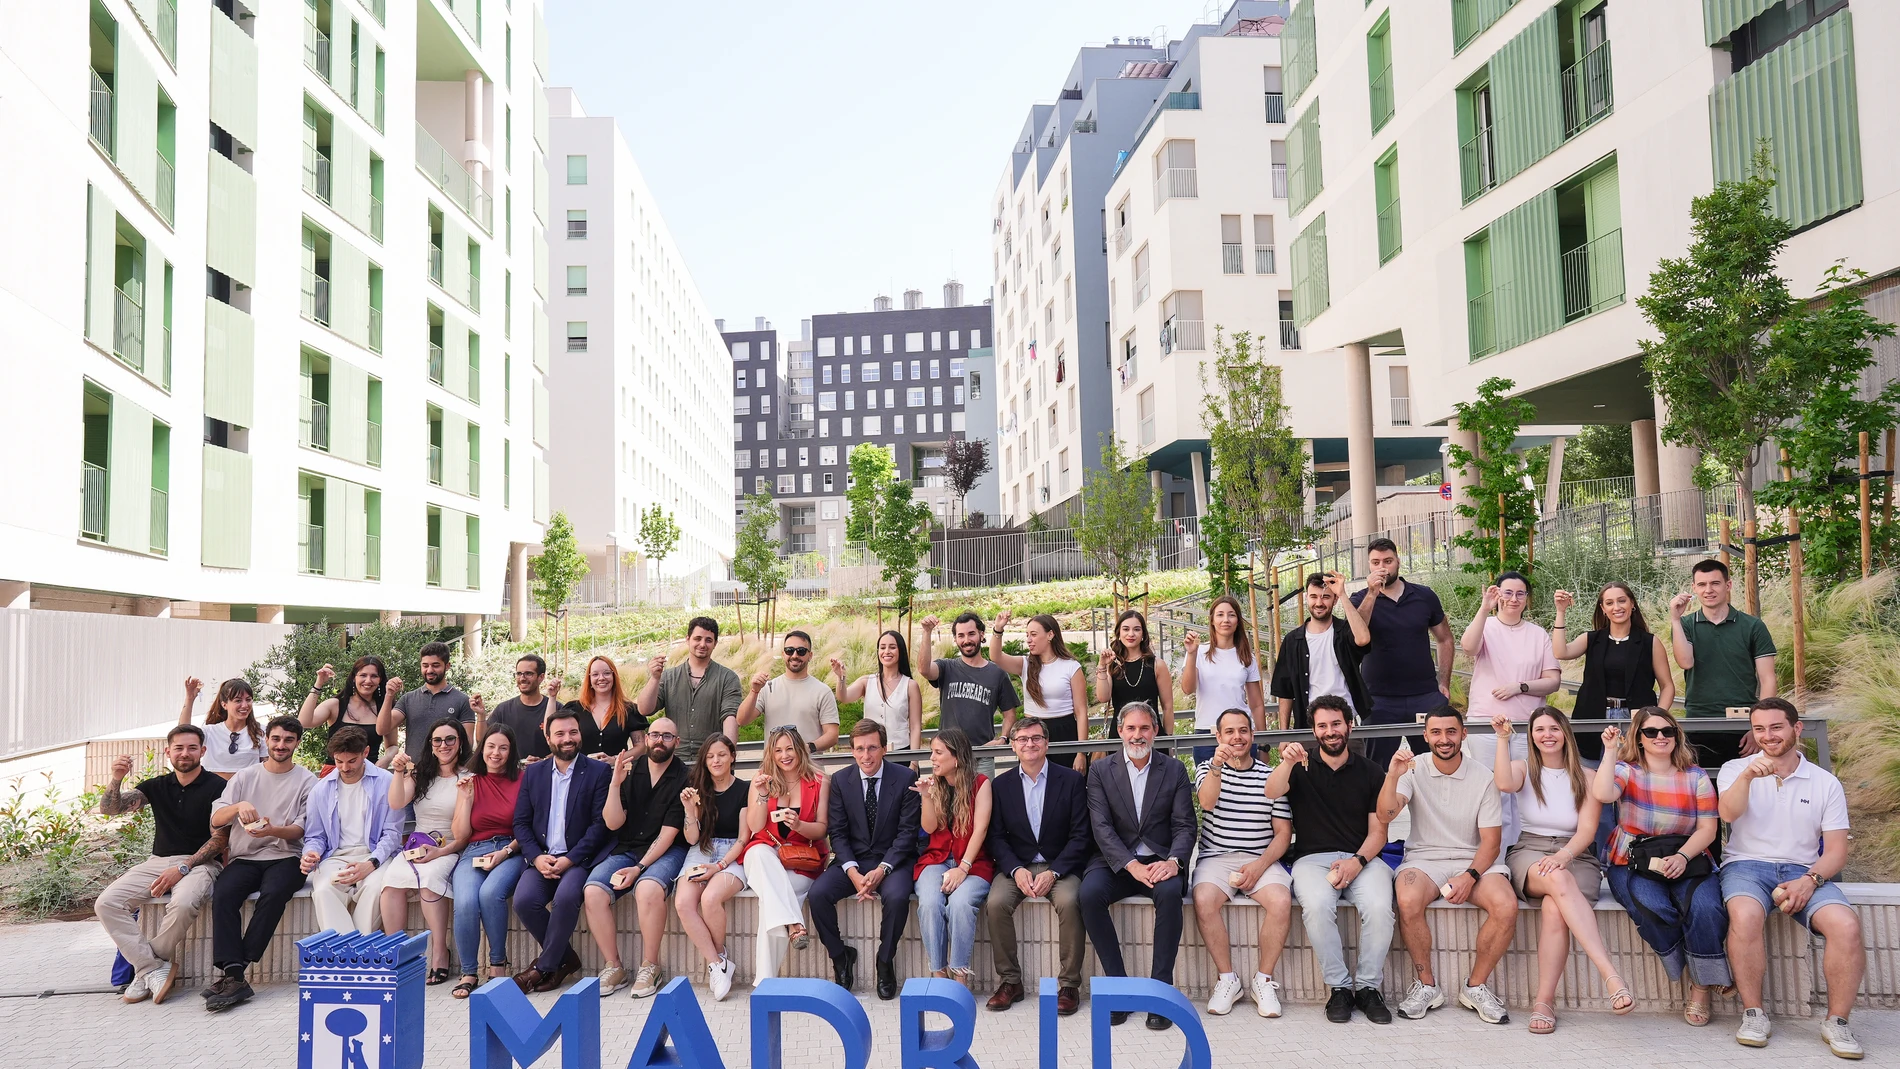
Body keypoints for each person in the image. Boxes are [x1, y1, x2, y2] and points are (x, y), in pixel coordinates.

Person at [1718, 698, 1864, 1059]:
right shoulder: (1735, 769)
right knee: (1746, 916)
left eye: (1776, 727)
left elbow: (1835, 852)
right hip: (1746, 865)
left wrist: (1809, 880)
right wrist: (1749, 775)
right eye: (1759, 729)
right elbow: (1727, 813)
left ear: (1796, 728)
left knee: (1845, 925)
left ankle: (1838, 1023)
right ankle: (1754, 1014)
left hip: (1803, 871)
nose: (1768, 736)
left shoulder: (1825, 782)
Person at [1491, 709, 1630, 1033]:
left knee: (1555, 907)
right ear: (1532, 736)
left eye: (1554, 728)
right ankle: (1610, 974)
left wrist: (1565, 856)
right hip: (1530, 850)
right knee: (1558, 878)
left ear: (1565, 732)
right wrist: (1502, 739)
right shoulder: (1523, 769)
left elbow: (1587, 830)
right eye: (1539, 729)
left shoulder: (1587, 776)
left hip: (1577, 855)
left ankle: (1543, 1001)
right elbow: (1502, 782)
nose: (1547, 734)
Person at [1376, 706, 1517, 1025]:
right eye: (1436, 732)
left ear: (1463, 734)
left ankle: (1476, 987)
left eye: (1451, 731)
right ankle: (1426, 986)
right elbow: (1386, 816)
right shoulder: (1413, 769)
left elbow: (1491, 843)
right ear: (1425, 736)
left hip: (1475, 860)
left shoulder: (1483, 776)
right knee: (1408, 899)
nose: (1444, 739)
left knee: (1506, 906)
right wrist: (1393, 775)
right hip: (1425, 859)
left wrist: (1469, 877)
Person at [1590, 707, 1730, 1027]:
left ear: (1676, 735)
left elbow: (1708, 830)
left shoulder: (1695, 776)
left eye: (1667, 731)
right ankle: (1698, 963)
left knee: (1707, 908)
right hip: (1632, 859)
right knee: (1652, 907)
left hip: (1686, 856)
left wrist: (1681, 857)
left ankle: (1700, 987)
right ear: (1639, 738)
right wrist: (1610, 750)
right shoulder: (1628, 770)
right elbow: (1602, 792)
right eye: (1651, 732)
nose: (1660, 737)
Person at [1266, 695, 1393, 1025]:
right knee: (1318, 906)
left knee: (1380, 908)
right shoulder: (1301, 765)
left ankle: (1367, 988)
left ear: (1349, 726)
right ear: (1314, 730)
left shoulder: (1371, 771)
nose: (1330, 731)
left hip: (1363, 858)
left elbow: (1378, 832)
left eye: (1336, 724)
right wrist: (1287, 762)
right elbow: (1270, 790)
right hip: (1312, 860)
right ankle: (1339, 988)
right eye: (1322, 725)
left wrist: (1356, 862)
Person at [1081, 702, 1196, 1032]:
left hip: (1160, 861)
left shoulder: (1173, 769)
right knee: (1089, 895)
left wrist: (1174, 862)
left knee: (1171, 894)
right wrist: (1130, 865)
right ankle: (1119, 990)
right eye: (1130, 728)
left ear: (1155, 731)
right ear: (1120, 731)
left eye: (1144, 728)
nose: (1137, 735)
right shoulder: (1101, 771)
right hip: (1116, 861)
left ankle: (1160, 993)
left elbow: (1185, 826)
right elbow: (1101, 827)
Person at [96, 725, 230, 1005]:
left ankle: (146, 967)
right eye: (179, 748)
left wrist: (182, 868)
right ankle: (150, 968)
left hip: (202, 864)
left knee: (182, 904)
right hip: (158, 861)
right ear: (168, 752)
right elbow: (110, 809)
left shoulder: (218, 787)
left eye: (192, 747)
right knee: (107, 903)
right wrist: (117, 778)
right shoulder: (156, 786)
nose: (185, 753)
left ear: (202, 751)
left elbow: (220, 840)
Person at [204, 716, 317, 1011]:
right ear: (267, 740)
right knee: (224, 893)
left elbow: (301, 830)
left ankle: (235, 971)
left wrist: (272, 831)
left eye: (288, 740)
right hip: (246, 856)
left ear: (297, 743)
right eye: (276, 739)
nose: (281, 745)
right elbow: (216, 819)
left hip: (286, 855)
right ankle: (234, 974)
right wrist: (238, 806)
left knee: (275, 892)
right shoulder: (245, 776)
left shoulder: (307, 780)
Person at [984, 716, 1091, 1016]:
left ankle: (1069, 985)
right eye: (1022, 739)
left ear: (1046, 743)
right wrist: (1016, 870)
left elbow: (1081, 835)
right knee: (995, 903)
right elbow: (996, 838)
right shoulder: (1001, 785)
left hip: (1060, 867)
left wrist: (1054, 871)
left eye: (1035, 738)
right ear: (1014, 746)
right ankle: (1010, 982)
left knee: (1071, 901)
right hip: (1017, 867)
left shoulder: (1070, 780)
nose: (1029, 744)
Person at [1192, 709, 1295, 1018]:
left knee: (1280, 901)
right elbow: (1207, 803)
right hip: (1216, 857)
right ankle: (1228, 980)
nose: (1237, 737)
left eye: (1243, 731)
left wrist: (1260, 865)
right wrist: (1217, 767)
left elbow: (1283, 832)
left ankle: (1263, 981)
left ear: (1252, 735)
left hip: (1259, 858)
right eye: (1230, 732)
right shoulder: (1207, 768)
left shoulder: (1270, 775)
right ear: (1218, 736)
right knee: (1203, 899)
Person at [809, 720, 920, 1000]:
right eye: (860, 749)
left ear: (884, 748)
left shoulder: (904, 778)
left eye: (872, 748)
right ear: (852, 750)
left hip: (893, 860)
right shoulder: (841, 780)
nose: (866, 755)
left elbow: (907, 834)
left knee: (896, 898)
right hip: (854, 860)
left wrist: (883, 869)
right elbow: (838, 833)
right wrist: (853, 872)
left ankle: (885, 960)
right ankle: (840, 956)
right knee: (818, 894)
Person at [584, 717, 690, 999]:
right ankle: (614, 966)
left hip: (667, 850)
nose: (659, 741)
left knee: (648, 888)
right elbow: (613, 823)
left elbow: (669, 835)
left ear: (676, 743)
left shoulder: (685, 777)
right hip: (628, 847)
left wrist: (639, 869)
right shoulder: (633, 770)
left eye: (667, 737)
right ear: (645, 740)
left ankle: (650, 966)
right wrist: (615, 785)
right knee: (593, 891)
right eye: (654, 735)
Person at [510, 708, 614, 993]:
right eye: (560, 734)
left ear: (580, 735)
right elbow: (520, 822)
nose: (567, 738)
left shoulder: (598, 771)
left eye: (573, 732)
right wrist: (536, 856)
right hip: (541, 857)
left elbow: (599, 826)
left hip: (579, 859)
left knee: (567, 898)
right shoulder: (533, 773)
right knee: (524, 900)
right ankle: (565, 959)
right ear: (548, 738)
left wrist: (569, 859)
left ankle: (542, 968)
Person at [373, 722, 472, 984]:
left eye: (450, 739)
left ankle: (440, 952)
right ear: (430, 744)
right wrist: (397, 771)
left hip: (450, 847)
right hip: (417, 846)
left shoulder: (468, 777)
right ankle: (399, 952)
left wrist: (439, 852)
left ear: (460, 742)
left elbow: (464, 835)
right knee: (391, 882)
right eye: (437, 740)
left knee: (429, 883)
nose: (444, 745)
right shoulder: (420, 774)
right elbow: (396, 802)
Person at [1351, 538, 1455, 763]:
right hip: (1377, 699)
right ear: (1368, 566)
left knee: (1434, 763)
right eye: (1376, 562)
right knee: (1377, 768)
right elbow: (1356, 636)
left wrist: (1444, 682)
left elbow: (1445, 638)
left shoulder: (1424, 596)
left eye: (1388, 561)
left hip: (1424, 696)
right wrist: (1372, 593)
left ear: (1398, 561)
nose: (1382, 567)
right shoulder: (1359, 598)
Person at [740, 726, 831, 984]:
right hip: (764, 857)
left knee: (770, 902)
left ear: (800, 749)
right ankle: (794, 924)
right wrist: (762, 794)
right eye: (778, 750)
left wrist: (799, 825)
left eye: (789, 748)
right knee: (758, 853)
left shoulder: (820, 781)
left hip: (802, 862)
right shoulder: (761, 779)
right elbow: (756, 827)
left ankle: (764, 983)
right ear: (771, 753)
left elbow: (823, 829)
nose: (784, 755)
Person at [300, 728, 405, 938]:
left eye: (351, 761)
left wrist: (371, 863)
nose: (344, 768)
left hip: (376, 854)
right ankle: (355, 952)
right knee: (323, 891)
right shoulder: (321, 789)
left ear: (366, 753)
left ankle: (350, 953)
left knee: (376, 889)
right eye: (339, 761)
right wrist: (311, 853)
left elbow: (392, 833)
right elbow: (315, 836)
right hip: (335, 856)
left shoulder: (386, 782)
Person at [1671, 559, 1777, 767]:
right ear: (1694, 588)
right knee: (1705, 793)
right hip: (1699, 721)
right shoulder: (1685, 624)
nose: (1708, 590)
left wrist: (1759, 728)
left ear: (1728, 585)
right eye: (1701, 585)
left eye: (1715, 583)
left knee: (1747, 793)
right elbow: (1685, 662)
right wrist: (1675, 619)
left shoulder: (1753, 626)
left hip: (1742, 723)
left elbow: (1768, 679)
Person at [673, 733, 753, 1002]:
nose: (716, 760)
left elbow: (744, 837)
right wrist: (688, 809)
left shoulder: (745, 789)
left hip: (733, 852)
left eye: (721, 754)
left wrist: (718, 866)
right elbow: (692, 839)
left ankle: (718, 962)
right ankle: (718, 963)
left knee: (709, 899)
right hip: (702, 849)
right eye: (710, 756)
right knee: (683, 902)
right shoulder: (697, 789)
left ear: (732, 756)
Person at [913, 728, 994, 989]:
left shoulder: (981, 784)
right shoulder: (936, 784)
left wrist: (963, 868)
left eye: (938, 753)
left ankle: (959, 978)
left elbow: (980, 829)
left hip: (973, 863)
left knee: (959, 904)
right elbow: (928, 828)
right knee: (929, 903)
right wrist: (926, 796)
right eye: (932, 753)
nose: (932, 758)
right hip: (936, 860)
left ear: (956, 757)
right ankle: (939, 975)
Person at [449, 724, 525, 999]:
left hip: (512, 849)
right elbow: (460, 835)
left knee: (491, 893)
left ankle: (497, 965)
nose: (496, 753)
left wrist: (506, 852)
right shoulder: (469, 781)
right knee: (466, 901)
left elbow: (528, 827)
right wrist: (466, 799)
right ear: (482, 749)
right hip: (473, 850)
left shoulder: (522, 780)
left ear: (511, 751)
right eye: (491, 746)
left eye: (503, 747)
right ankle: (469, 971)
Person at [1552, 583, 1673, 735]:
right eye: (1609, 603)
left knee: (1632, 760)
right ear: (1603, 609)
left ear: (1632, 603)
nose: (1616, 607)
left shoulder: (1650, 642)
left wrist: (1656, 717)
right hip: (1592, 718)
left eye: (1622, 601)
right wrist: (1560, 611)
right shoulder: (1591, 639)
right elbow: (1560, 652)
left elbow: (1667, 686)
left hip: (1637, 720)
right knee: (1594, 759)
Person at [918, 612, 1020, 777]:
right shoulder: (946, 667)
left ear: (981, 634)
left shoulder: (997, 674)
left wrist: (1003, 739)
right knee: (947, 802)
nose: (966, 640)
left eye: (971, 634)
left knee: (983, 802)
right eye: (961, 635)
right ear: (955, 639)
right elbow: (924, 669)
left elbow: (1010, 714)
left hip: (982, 757)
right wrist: (926, 632)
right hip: (948, 755)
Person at [1270, 573, 1372, 732]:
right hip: (1309, 726)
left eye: (1325, 597)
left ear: (1335, 599)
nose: (1319, 602)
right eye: (1313, 596)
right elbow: (1284, 690)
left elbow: (1363, 639)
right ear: (1306, 598)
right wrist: (1284, 734)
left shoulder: (1344, 632)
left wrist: (1342, 593)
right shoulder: (1292, 640)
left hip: (1345, 724)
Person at [636, 616, 745, 761]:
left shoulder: (727, 678)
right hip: (674, 761)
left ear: (715, 643)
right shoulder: (668, 677)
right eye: (697, 638)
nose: (702, 644)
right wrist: (655, 678)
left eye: (708, 640)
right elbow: (645, 709)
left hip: (710, 760)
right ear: (688, 639)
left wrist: (728, 754)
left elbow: (730, 717)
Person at [1462, 572, 1563, 728]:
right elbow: (1469, 648)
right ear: (1497, 593)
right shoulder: (1484, 625)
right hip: (1486, 718)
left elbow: (1553, 682)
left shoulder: (1538, 634)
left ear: (1526, 597)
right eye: (1508, 593)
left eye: (1520, 594)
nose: (1514, 599)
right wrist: (1484, 609)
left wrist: (1520, 687)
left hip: (1528, 721)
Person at [988, 611, 1087, 770]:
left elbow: (1081, 712)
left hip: (1065, 732)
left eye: (1033, 634)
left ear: (1050, 635)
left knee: (1066, 787)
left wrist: (1081, 752)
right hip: (1031, 733)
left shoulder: (1071, 667)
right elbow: (995, 656)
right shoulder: (1025, 664)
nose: (1028, 640)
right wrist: (998, 629)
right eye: (1027, 635)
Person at [1180, 595, 1266, 765]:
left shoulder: (1247, 657)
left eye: (1231, 615)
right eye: (1220, 615)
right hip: (1207, 733)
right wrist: (1191, 653)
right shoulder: (1199, 652)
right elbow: (1187, 688)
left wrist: (1263, 743)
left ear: (1238, 620)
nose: (1225, 620)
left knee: (1244, 788)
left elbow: (1256, 704)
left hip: (1240, 735)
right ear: (1212, 620)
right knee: (1209, 789)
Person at [738, 631, 841, 752]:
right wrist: (754, 691)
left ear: (810, 655)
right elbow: (741, 720)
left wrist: (806, 748)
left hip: (809, 767)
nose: (795, 655)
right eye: (789, 650)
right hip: (774, 769)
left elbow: (832, 735)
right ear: (783, 654)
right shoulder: (767, 687)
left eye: (801, 651)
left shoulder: (822, 691)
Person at [379, 641, 479, 765]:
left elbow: (467, 744)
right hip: (414, 773)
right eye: (425, 665)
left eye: (435, 665)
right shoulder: (408, 699)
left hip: (447, 774)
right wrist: (389, 695)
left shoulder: (462, 700)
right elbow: (382, 729)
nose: (429, 670)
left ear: (447, 666)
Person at [829, 631, 923, 754]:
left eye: (892, 647)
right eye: (882, 647)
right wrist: (841, 678)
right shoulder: (866, 681)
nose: (887, 651)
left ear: (901, 651)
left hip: (901, 752)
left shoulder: (910, 685)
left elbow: (915, 727)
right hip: (870, 753)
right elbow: (844, 697)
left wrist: (914, 761)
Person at [298, 658, 398, 764]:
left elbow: (393, 745)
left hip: (370, 774)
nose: (368, 680)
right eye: (363, 675)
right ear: (354, 678)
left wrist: (386, 759)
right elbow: (304, 722)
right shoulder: (335, 705)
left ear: (380, 680)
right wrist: (318, 684)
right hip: (335, 773)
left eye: (374, 676)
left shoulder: (385, 709)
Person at [1092, 609, 1174, 737]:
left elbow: (1168, 707)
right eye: (1126, 629)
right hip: (1120, 735)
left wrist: (1169, 740)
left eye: (1136, 629)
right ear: (1119, 633)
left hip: (1150, 735)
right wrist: (1102, 665)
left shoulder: (1157, 665)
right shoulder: (1112, 664)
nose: (1131, 634)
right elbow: (1103, 697)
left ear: (1143, 634)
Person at [557, 655, 650, 759]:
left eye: (606, 673)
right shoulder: (575, 708)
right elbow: (552, 732)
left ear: (614, 676)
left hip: (616, 773)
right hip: (580, 772)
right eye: (595, 674)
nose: (601, 678)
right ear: (589, 679)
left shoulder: (629, 710)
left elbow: (641, 747)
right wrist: (552, 698)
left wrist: (615, 760)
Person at [186, 677, 265, 778]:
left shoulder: (261, 731)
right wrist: (189, 699)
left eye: (248, 700)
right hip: (213, 791)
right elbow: (183, 734)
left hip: (247, 791)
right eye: (238, 700)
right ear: (224, 704)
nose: (245, 705)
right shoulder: (210, 732)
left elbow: (267, 768)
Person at [488, 653, 557, 761]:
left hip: (546, 773)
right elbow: (483, 741)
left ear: (541, 677)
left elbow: (567, 747)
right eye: (519, 673)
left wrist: (543, 761)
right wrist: (481, 715)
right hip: (510, 775)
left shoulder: (556, 708)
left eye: (528, 674)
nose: (522, 678)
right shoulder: (503, 709)